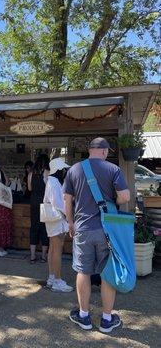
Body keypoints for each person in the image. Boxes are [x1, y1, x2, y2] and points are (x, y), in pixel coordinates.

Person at [64, 137, 130, 333]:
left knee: (83, 271)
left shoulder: (74, 170)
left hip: (82, 228)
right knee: (107, 273)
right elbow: (125, 196)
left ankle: (84, 317)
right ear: (104, 151)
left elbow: (67, 200)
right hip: (106, 229)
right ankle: (107, 320)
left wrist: (70, 222)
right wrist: (112, 200)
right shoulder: (113, 169)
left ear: (90, 150)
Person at [43, 158, 74, 292]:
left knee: (52, 249)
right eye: (63, 169)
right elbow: (59, 204)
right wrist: (70, 217)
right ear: (58, 170)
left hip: (53, 220)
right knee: (57, 250)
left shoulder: (51, 181)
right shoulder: (54, 183)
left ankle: (52, 278)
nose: (65, 172)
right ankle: (57, 280)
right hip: (58, 220)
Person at [28, 154, 50, 263]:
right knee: (44, 229)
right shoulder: (47, 173)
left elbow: (29, 188)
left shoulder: (31, 174)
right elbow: (50, 189)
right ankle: (43, 256)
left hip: (33, 203)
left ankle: (32, 256)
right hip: (45, 203)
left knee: (34, 228)